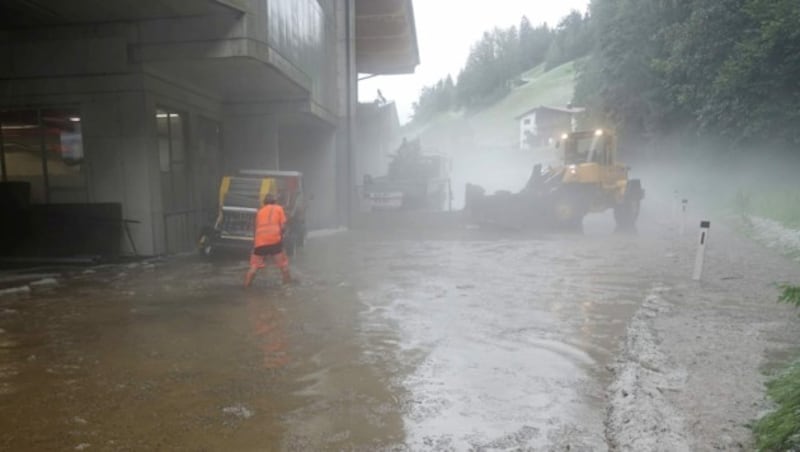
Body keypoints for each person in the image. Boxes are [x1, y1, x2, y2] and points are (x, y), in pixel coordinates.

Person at [244, 193, 291, 287]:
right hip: (274, 241)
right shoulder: (279, 208)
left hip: (260, 242)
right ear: (275, 201)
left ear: (264, 202)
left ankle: (246, 286)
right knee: (283, 265)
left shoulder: (260, 211)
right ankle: (288, 287)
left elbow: (256, 228)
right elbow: (283, 226)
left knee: (254, 267)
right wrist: (282, 236)